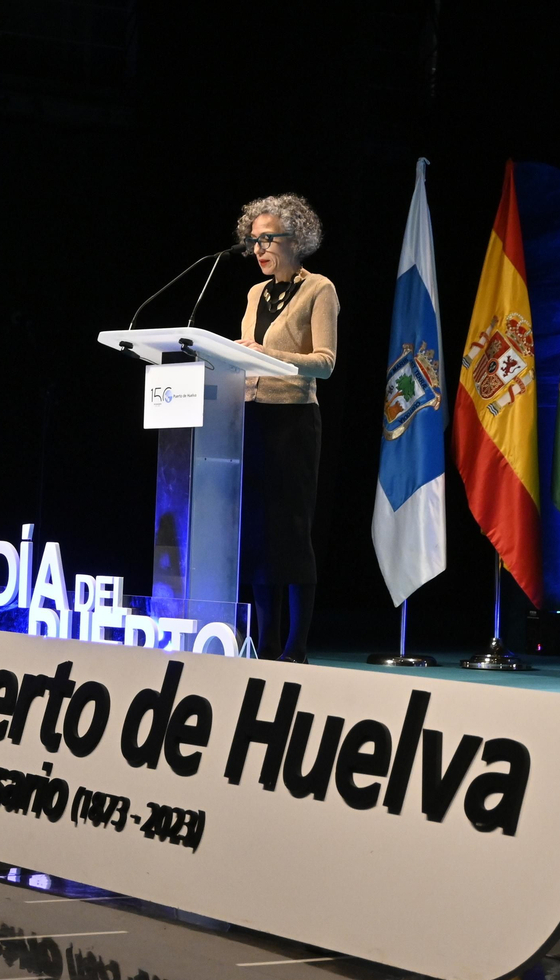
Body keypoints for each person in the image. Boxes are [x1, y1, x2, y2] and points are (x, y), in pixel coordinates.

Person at [233, 193, 338, 662]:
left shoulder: (320, 289)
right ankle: (267, 642)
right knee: (258, 533)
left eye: (268, 239)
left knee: (291, 533)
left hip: (294, 422)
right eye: (254, 241)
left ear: (297, 240)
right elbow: (246, 354)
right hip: (252, 416)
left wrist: (261, 354)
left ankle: (296, 648)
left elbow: (325, 363)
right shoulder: (256, 294)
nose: (258, 249)